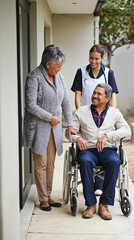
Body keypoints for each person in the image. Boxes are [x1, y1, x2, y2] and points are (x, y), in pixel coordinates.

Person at [23, 44, 76, 211]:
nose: (60, 69)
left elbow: (66, 102)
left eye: (61, 66)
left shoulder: (59, 77)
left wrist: (70, 124)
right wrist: (49, 117)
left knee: (51, 163)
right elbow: (30, 105)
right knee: (41, 163)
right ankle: (43, 198)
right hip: (39, 127)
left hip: (54, 128)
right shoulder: (34, 77)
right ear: (48, 64)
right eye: (58, 66)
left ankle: (48, 194)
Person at [70, 83, 131, 220]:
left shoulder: (114, 113)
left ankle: (104, 204)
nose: (95, 96)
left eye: (99, 94)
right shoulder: (81, 111)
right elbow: (70, 132)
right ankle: (91, 204)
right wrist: (78, 138)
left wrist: (107, 136)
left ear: (107, 98)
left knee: (115, 162)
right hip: (88, 150)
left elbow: (127, 130)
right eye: (94, 93)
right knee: (84, 161)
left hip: (107, 150)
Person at [71, 44, 119, 196]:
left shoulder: (108, 73)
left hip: (103, 115)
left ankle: (99, 184)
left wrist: (111, 113)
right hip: (86, 116)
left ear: (102, 58)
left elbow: (113, 96)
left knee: (104, 149)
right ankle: (90, 185)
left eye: (96, 59)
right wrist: (80, 113)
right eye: (91, 58)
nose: (93, 61)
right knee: (88, 151)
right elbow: (78, 94)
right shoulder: (81, 72)